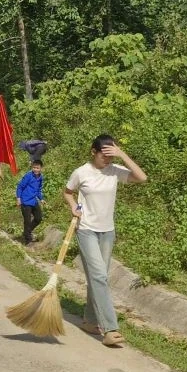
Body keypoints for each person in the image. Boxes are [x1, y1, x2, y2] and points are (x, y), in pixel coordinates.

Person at [63, 134, 147, 348]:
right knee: (99, 276)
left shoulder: (114, 170)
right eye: (104, 155)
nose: (107, 160)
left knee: (98, 277)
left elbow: (141, 178)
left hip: (107, 232)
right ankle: (110, 329)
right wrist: (73, 207)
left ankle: (90, 321)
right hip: (86, 230)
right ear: (94, 152)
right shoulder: (81, 172)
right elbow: (68, 192)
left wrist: (122, 154)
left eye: (111, 156)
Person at [15, 159, 45, 245]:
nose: (35, 169)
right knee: (27, 221)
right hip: (25, 201)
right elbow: (20, 187)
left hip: (33, 201)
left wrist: (41, 199)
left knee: (38, 218)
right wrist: (18, 198)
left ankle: (26, 232)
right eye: (34, 167)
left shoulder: (40, 177)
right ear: (32, 167)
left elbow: (38, 190)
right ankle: (28, 240)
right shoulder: (28, 176)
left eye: (37, 168)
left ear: (41, 168)